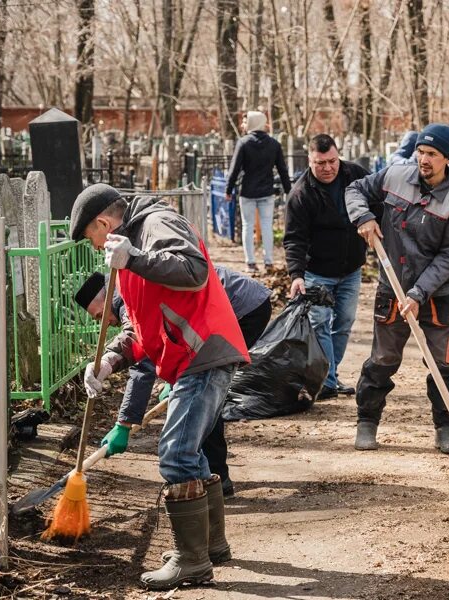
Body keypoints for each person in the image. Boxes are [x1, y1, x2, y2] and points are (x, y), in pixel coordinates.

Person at [69, 183, 250, 590]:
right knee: (192, 454)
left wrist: (133, 258)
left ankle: (192, 561)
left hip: (203, 352)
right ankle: (209, 546)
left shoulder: (156, 223)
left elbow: (193, 271)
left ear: (103, 223)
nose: (94, 246)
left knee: (176, 454)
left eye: (91, 238)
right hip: (192, 356)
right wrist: (109, 361)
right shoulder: (129, 253)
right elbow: (139, 327)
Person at [73, 265, 272, 498]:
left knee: (202, 395)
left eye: (100, 316)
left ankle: (216, 478)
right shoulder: (128, 285)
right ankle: (216, 478)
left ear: (105, 298)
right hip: (244, 303)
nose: (104, 323)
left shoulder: (125, 297)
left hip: (243, 308)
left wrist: (124, 424)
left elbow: (143, 363)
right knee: (201, 391)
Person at [345, 123, 449, 455]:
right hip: (392, 288)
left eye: (432, 154)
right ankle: (367, 421)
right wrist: (363, 217)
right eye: (420, 152)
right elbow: (355, 189)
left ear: (447, 158)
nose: (424, 159)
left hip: (437, 295)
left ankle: (446, 428)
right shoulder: (395, 175)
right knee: (384, 357)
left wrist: (419, 293)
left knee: (442, 363)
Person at [284, 134, 369, 400]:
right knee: (319, 323)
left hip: (351, 268)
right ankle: (328, 381)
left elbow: (377, 199)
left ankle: (330, 374)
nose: (328, 168)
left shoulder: (354, 174)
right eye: (320, 163)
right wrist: (297, 275)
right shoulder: (301, 193)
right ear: (310, 161)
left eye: (332, 161)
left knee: (343, 322)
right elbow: (294, 239)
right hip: (317, 271)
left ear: (338, 155)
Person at [226, 110, 291, 272]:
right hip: (267, 191)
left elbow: (234, 170)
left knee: (248, 226)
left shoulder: (243, 143)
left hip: (247, 191)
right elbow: (283, 170)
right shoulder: (274, 144)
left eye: (246, 121)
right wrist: (289, 191)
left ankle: (251, 263)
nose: (243, 124)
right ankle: (268, 262)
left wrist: (229, 189)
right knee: (267, 225)